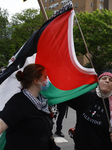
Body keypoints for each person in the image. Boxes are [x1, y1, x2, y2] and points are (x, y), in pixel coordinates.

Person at [0, 63, 57, 150]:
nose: (48, 80)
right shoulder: (18, 102)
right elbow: (2, 124)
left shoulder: (42, 101)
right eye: (45, 77)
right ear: (36, 81)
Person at [65, 71, 112, 150]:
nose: (107, 81)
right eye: (104, 78)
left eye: (111, 80)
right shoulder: (86, 96)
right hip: (81, 146)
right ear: (98, 81)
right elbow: (65, 96)